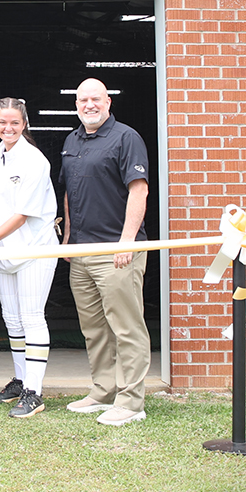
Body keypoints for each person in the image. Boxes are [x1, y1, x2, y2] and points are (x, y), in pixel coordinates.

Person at [60, 78, 151, 426]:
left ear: (108, 102)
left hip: (117, 250)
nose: (89, 105)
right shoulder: (72, 140)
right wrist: (68, 237)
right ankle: (103, 390)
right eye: (83, 100)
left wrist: (127, 242)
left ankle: (131, 402)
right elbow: (69, 192)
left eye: (95, 99)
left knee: (127, 328)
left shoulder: (126, 138)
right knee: (94, 328)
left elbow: (138, 191)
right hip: (82, 250)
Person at [0, 98, 58, 418]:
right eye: (2, 123)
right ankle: (21, 381)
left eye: (15, 123)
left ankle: (34, 392)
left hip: (35, 248)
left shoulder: (35, 160)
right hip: (6, 251)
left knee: (33, 317)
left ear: (24, 125)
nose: (8, 128)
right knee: (12, 319)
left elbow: (22, 215)